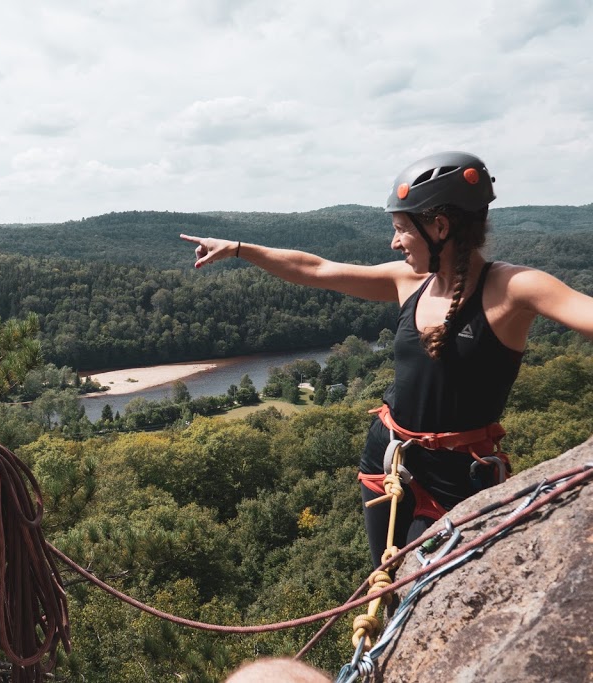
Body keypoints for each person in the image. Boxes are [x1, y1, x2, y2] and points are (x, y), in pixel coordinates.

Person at [181, 151, 593, 569]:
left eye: (400, 230)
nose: (394, 243)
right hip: (388, 452)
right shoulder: (409, 281)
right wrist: (237, 249)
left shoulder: (515, 287)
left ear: (440, 227)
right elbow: (317, 269)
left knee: (419, 581)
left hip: (457, 471)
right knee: (383, 575)